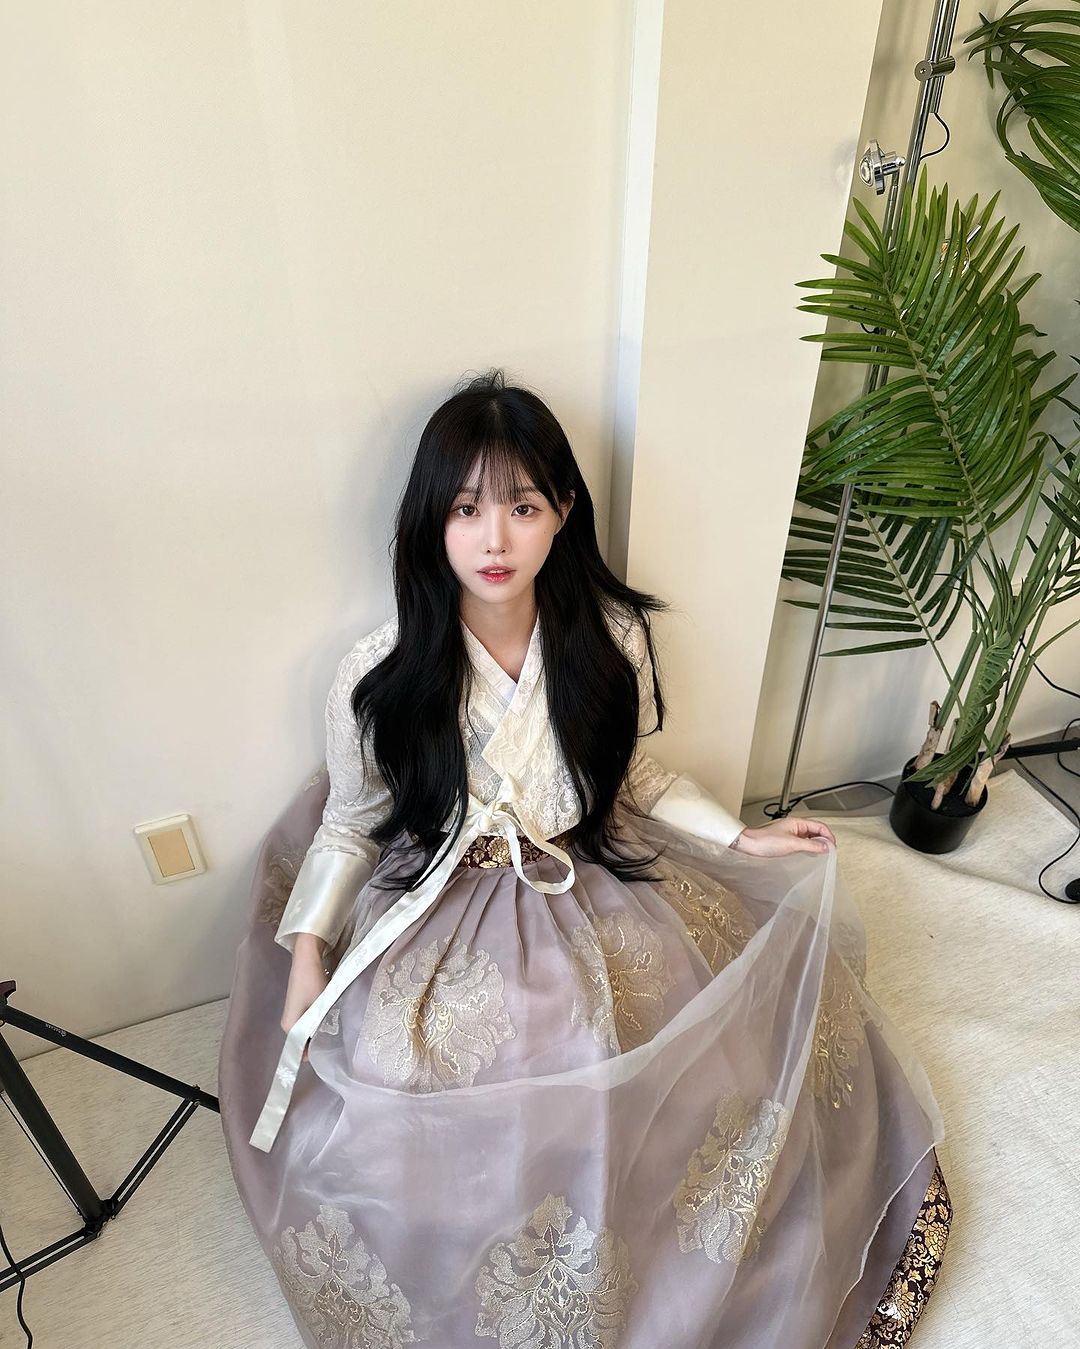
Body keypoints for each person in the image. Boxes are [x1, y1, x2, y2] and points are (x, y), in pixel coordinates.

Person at [218, 370, 951, 1349]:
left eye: (521, 507)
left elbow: (633, 774)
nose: (494, 539)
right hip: (441, 899)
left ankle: (640, 1243)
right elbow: (350, 825)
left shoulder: (607, 638)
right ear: (431, 519)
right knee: (412, 1068)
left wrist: (740, 835)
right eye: (466, 509)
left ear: (563, 512)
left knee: (656, 1034)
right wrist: (310, 949)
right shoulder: (380, 670)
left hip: (583, 866)